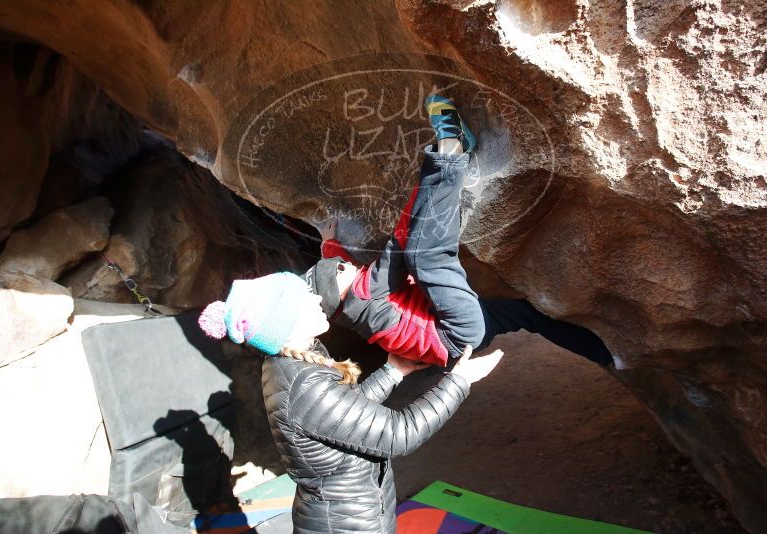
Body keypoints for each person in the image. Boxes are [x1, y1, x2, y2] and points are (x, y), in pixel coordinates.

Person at [306, 94, 614, 368]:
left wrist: (328, 243)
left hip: (459, 343)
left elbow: (336, 274)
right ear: (340, 288)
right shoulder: (363, 292)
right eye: (339, 269)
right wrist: (433, 177)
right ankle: (453, 145)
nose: (345, 264)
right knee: (423, 254)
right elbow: (400, 244)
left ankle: (608, 355)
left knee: (527, 315)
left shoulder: (350, 308)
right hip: (457, 328)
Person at [198, 272, 503, 533]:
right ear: (285, 322)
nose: (318, 300)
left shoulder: (295, 362)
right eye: (305, 300)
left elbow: (346, 415)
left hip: (355, 516)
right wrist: (460, 381)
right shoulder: (303, 386)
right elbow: (398, 434)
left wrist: (393, 370)